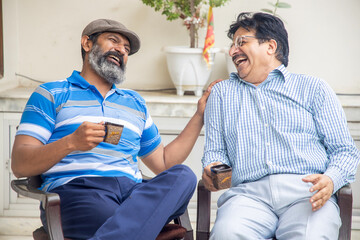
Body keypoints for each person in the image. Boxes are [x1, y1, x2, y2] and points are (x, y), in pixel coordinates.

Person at [11, 19, 220, 240]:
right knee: (115, 217)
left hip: (133, 194)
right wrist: (71, 142)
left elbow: (165, 163)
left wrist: (199, 116)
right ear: (87, 43)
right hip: (79, 191)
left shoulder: (134, 103)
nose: (121, 50)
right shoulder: (52, 94)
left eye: (127, 49)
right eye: (114, 41)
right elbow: (20, 164)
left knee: (183, 175)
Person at [201, 12, 360, 239]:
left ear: (270, 46)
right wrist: (213, 169)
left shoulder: (314, 88)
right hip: (247, 196)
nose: (232, 51)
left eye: (241, 42)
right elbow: (215, 152)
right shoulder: (221, 93)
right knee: (227, 233)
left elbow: (345, 151)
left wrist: (331, 179)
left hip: (307, 193)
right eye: (232, 45)